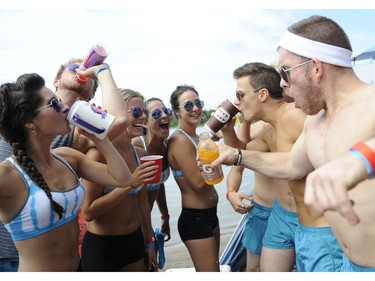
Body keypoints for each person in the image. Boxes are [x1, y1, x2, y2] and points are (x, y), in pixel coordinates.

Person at [211, 15, 375, 271]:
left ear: (316, 68)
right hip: (348, 262)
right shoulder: (316, 120)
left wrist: (360, 159)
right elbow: (290, 164)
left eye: (285, 72)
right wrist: (235, 155)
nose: (281, 84)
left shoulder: (370, 101)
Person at [0, 72, 133, 271]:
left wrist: (99, 137)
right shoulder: (8, 176)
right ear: (30, 122)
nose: (65, 107)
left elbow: (123, 179)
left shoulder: (68, 157)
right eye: (54, 104)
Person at [80, 89, 158, 272]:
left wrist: (149, 242)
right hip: (102, 247)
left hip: (134, 242)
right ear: (117, 116)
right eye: (137, 112)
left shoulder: (140, 154)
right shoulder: (97, 155)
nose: (143, 118)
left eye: (144, 112)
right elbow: (88, 212)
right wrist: (130, 183)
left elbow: (143, 204)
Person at [167, 84, 220, 272]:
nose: (196, 108)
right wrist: (217, 159)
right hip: (195, 219)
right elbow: (198, 184)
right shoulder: (180, 140)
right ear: (177, 112)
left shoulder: (198, 138)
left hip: (210, 214)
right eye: (188, 105)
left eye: (198, 103)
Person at [223, 120, 277, 272]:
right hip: (260, 210)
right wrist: (230, 192)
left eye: (240, 96)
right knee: (254, 267)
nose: (237, 102)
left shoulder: (295, 119)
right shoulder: (249, 130)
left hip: (295, 212)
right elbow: (236, 169)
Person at [132, 97, 172, 269]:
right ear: (146, 123)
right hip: (131, 225)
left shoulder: (165, 147)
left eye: (166, 111)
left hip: (147, 223)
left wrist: (165, 217)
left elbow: (158, 183)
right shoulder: (136, 146)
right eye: (156, 113)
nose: (164, 115)